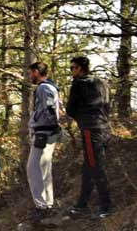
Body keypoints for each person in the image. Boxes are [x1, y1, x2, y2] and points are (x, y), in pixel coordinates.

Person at [65, 56, 114, 219]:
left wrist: (80, 115)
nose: (72, 71)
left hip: (90, 130)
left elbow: (70, 109)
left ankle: (106, 207)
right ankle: (82, 204)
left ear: (80, 68)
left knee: (96, 167)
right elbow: (107, 106)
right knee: (88, 167)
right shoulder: (103, 83)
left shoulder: (79, 84)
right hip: (105, 127)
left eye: (73, 68)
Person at [27, 61, 63, 219]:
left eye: (30, 73)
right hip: (47, 131)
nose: (29, 76)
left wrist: (50, 126)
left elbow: (50, 109)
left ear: (36, 71)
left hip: (44, 132)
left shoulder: (44, 88)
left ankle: (42, 206)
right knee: (44, 168)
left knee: (33, 168)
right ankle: (48, 204)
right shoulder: (52, 87)